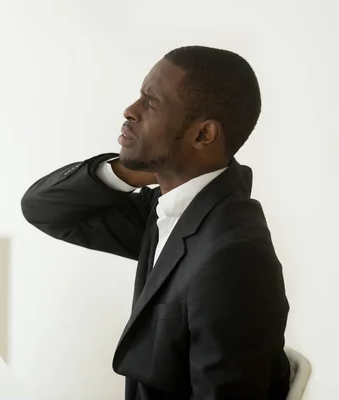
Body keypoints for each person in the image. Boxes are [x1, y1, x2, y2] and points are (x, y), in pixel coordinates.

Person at [20, 45, 290, 400]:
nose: (130, 111)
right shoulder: (172, 212)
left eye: (151, 103)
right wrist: (130, 171)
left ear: (203, 135)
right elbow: (43, 207)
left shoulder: (233, 255)